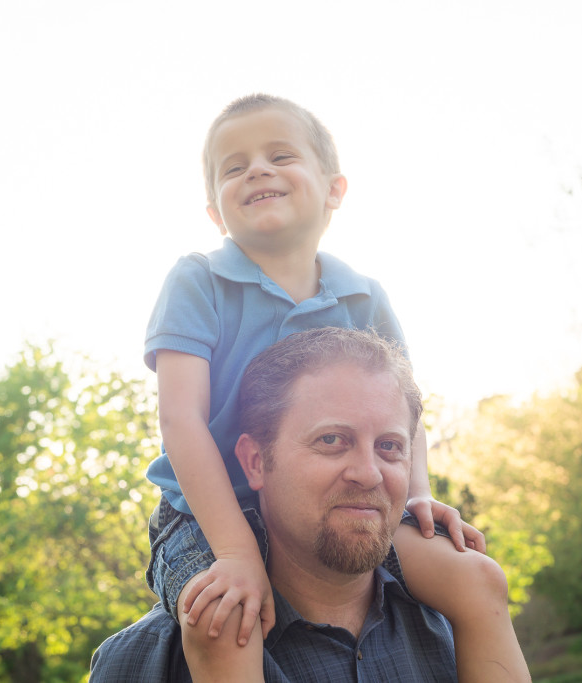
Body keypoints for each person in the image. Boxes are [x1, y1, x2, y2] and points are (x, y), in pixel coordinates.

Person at [143, 93, 488, 681]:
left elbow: (405, 417)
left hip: (342, 497)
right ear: (215, 212)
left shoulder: (364, 295)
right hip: (207, 510)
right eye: (234, 166)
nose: (257, 169)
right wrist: (235, 551)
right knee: (227, 621)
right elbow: (180, 419)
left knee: (472, 577)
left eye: (281, 155)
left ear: (333, 190)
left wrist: (415, 497)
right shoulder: (198, 281)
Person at [92, 328, 530, 682]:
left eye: (390, 446)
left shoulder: (463, 625)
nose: (369, 472)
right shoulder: (143, 664)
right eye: (332, 440)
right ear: (256, 462)